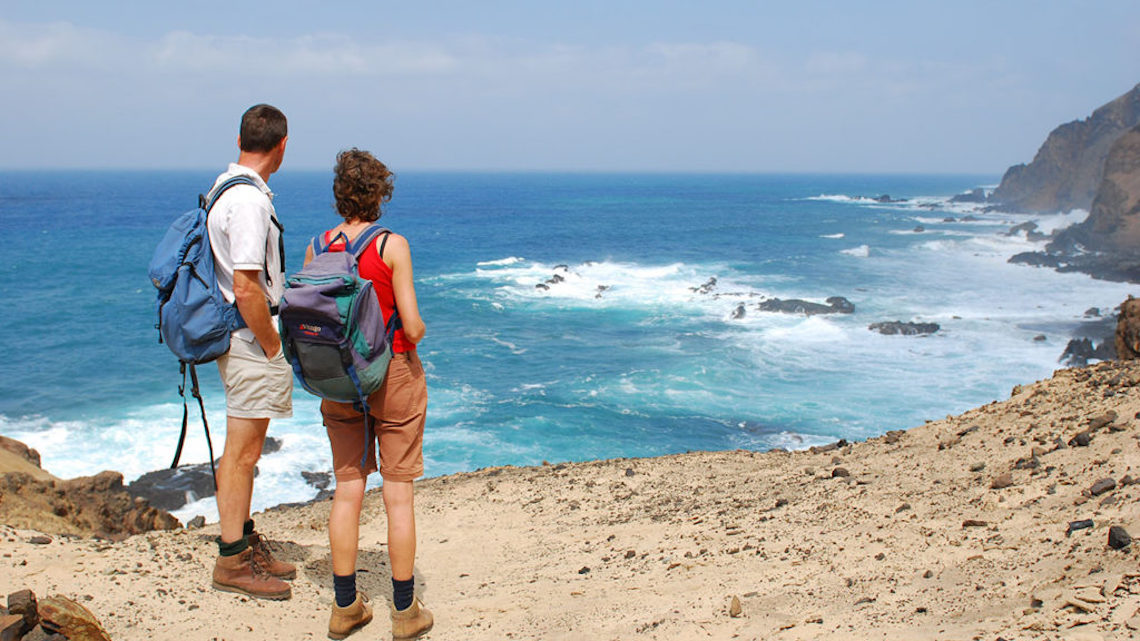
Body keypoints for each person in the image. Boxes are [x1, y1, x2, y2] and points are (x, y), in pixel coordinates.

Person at [312, 149, 431, 640]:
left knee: (347, 488)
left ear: (340, 193)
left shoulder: (318, 246)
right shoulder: (391, 245)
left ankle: (346, 607)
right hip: (393, 375)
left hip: (338, 380)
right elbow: (415, 326)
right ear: (379, 194)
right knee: (397, 495)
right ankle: (404, 612)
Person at [206, 104, 296, 600]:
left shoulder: (226, 190)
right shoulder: (249, 203)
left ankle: (241, 541)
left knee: (246, 451)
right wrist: (272, 343)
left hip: (237, 338)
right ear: (282, 146)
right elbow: (246, 285)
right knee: (241, 456)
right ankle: (233, 563)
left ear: (241, 138)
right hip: (247, 338)